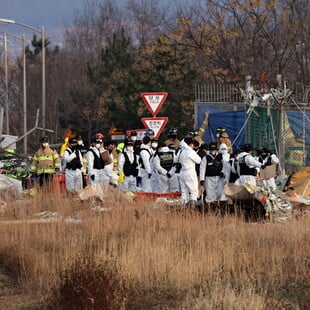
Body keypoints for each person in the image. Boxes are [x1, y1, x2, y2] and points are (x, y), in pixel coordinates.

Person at [178, 137, 202, 207]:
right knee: (194, 191)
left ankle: (183, 208)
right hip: (190, 172)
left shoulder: (182, 151)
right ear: (191, 144)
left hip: (182, 172)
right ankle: (192, 208)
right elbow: (199, 160)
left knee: (184, 192)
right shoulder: (190, 151)